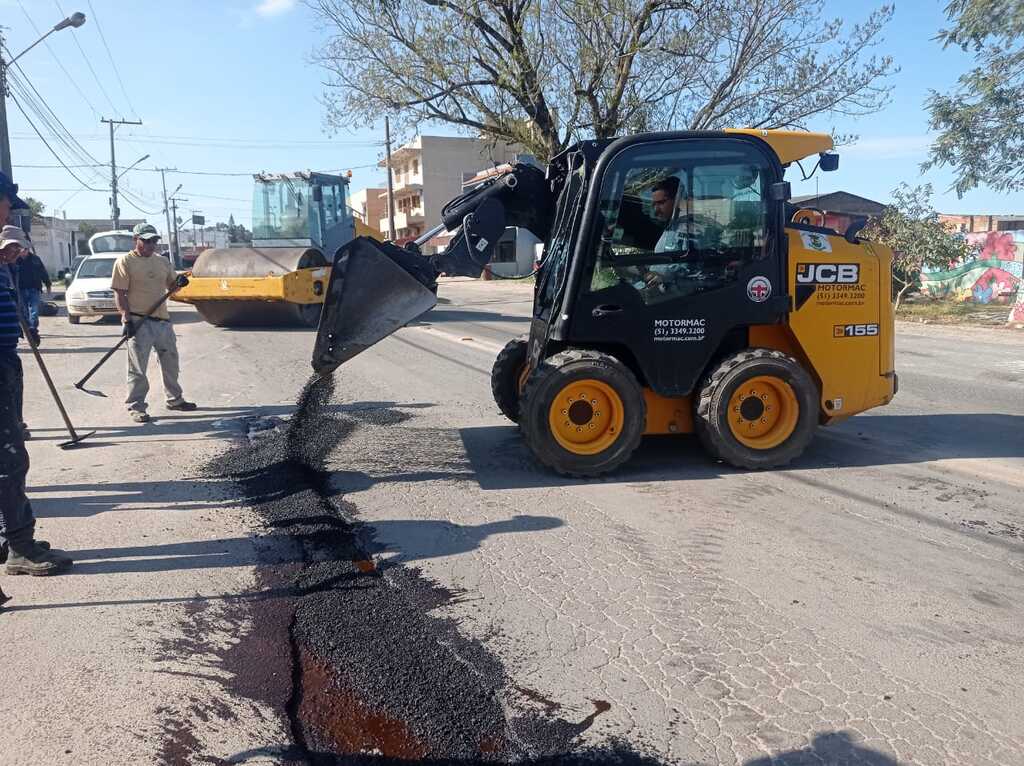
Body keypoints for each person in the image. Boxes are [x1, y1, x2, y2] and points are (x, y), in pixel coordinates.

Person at [0, 177, 73, 578]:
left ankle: (9, 538)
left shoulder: (7, 266)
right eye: (6, 204)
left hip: (5, 360)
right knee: (9, 460)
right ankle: (20, 548)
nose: (8, 211)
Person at [111, 223, 195, 423]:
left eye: (154, 241)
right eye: (146, 241)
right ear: (136, 240)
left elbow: (172, 287)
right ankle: (136, 406)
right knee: (138, 368)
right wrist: (126, 318)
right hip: (139, 320)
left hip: (162, 320)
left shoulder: (162, 262)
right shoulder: (125, 262)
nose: (150, 245)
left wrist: (179, 283)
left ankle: (175, 400)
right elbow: (119, 293)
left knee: (171, 362)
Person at [16, 239, 51, 347]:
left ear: (28, 249)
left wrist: (48, 284)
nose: (23, 251)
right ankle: (29, 329)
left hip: (34, 289)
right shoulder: (15, 260)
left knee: (34, 310)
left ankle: (33, 329)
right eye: (21, 249)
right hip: (20, 289)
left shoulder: (35, 259)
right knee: (24, 311)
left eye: (25, 249)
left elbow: (43, 272)